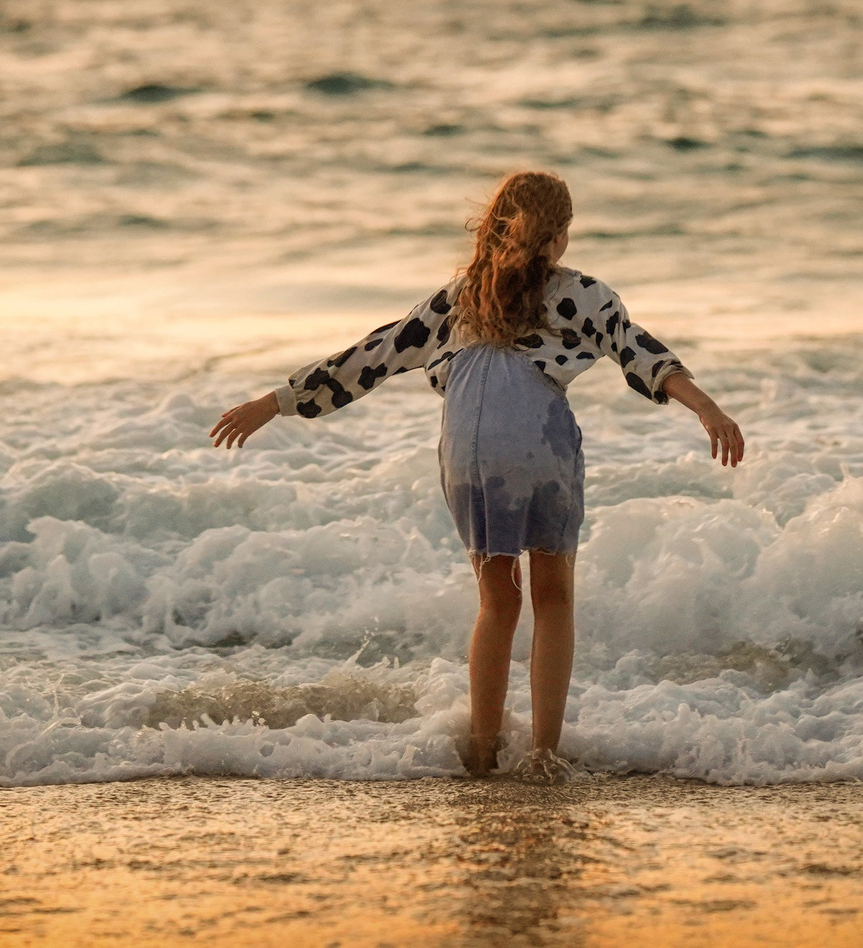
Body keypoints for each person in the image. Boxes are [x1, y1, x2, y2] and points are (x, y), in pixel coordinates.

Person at [209, 169, 745, 778]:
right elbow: (638, 351)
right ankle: (543, 753)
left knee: (497, 600)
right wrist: (707, 408)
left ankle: (484, 749)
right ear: (559, 235)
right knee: (553, 596)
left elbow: (372, 355)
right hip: (538, 442)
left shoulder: (459, 297)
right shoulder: (582, 294)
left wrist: (276, 402)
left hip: (470, 449)